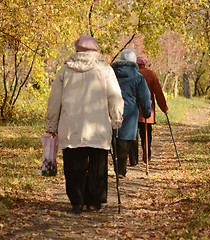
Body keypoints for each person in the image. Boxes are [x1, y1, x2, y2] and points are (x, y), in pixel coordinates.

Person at [45, 35, 124, 214]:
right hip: (98, 126)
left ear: (77, 50)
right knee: (98, 164)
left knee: (73, 165)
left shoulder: (65, 70)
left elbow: (54, 99)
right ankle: (94, 201)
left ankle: (77, 201)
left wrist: (52, 123)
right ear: (96, 50)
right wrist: (116, 118)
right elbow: (115, 97)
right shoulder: (105, 69)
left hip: (71, 126)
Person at [111, 49, 151, 178]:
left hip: (111, 112)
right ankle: (121, 170)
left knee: (114, 140)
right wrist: (146, 112)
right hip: (130, 114)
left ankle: (119, 168)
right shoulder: (138, 77)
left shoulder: (110, 74)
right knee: (125, 140)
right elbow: (145, 97)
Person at [130, 55, 169, 164]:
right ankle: (147, 156)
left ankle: (133, 159)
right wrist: (164, 108)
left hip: (132, 111)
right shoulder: (151, 74)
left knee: (133, 135)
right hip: (147, 110)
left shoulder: (131, 73)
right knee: (146, 134)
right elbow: (158, 93)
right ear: (145, 64)